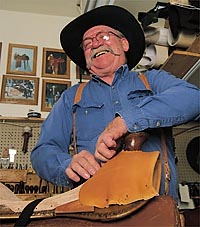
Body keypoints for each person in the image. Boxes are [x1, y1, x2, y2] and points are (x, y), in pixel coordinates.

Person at [31, 5, 199, 202]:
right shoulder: (71, 97)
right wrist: (67, 164)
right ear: (86, 60)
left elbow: (193, 98)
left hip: (158, 209)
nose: (94, 44)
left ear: (124, 44)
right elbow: (42, 151)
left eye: (103, 36)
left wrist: (127, 120)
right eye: (87, 44)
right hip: (95, 211)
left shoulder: (152, 80)